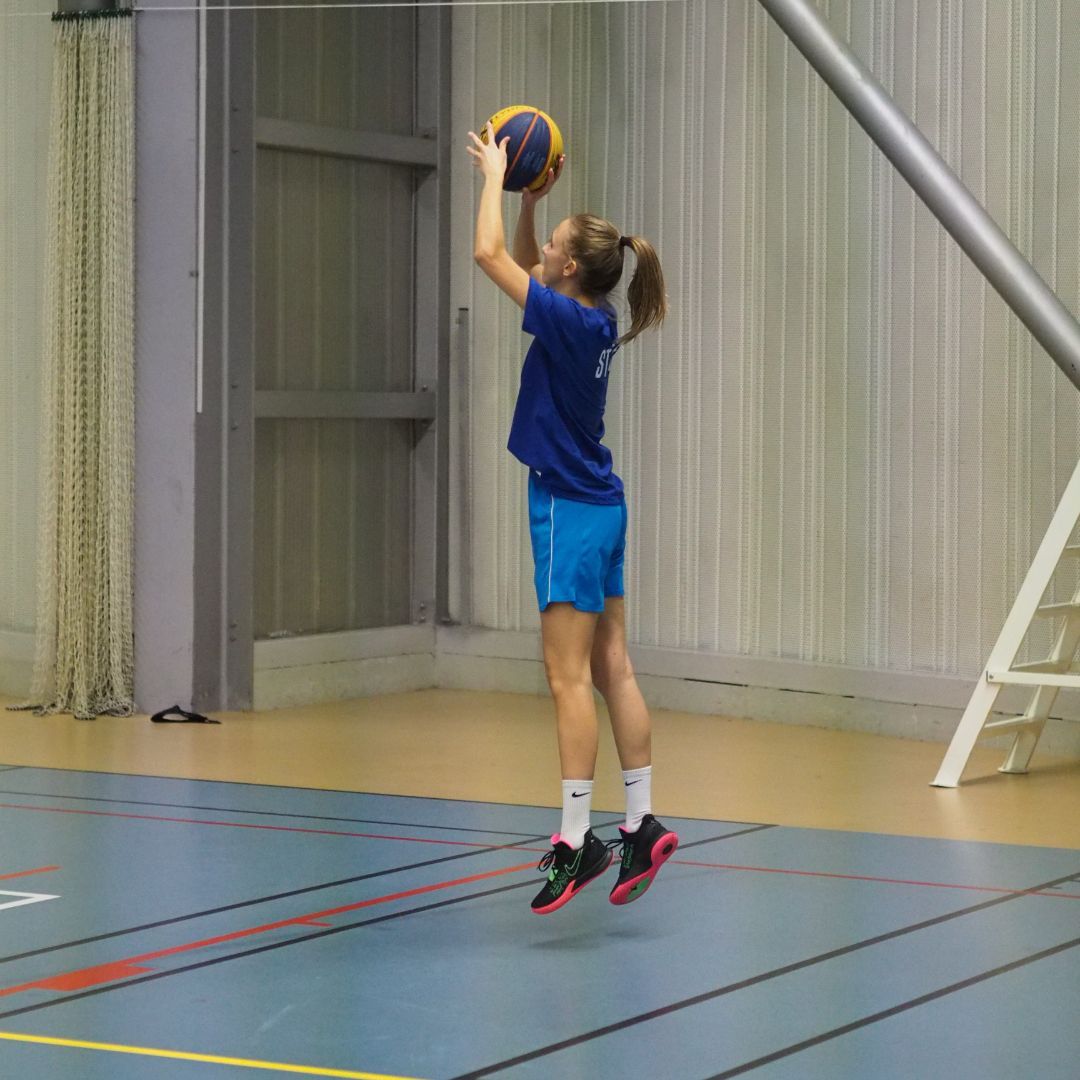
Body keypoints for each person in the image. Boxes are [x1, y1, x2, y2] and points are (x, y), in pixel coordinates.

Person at [467, 123, 679, 915]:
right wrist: (532, 205)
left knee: (565, 679)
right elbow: (527, 263)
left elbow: (491, 258)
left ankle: (574, 838)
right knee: (612, 665)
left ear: (568, 270)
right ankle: (642, 820)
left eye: (552, 244)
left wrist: (494, 176)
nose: (543, 251)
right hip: (606, 504)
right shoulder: (582, 316)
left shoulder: (566, 319)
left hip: (565, 507)